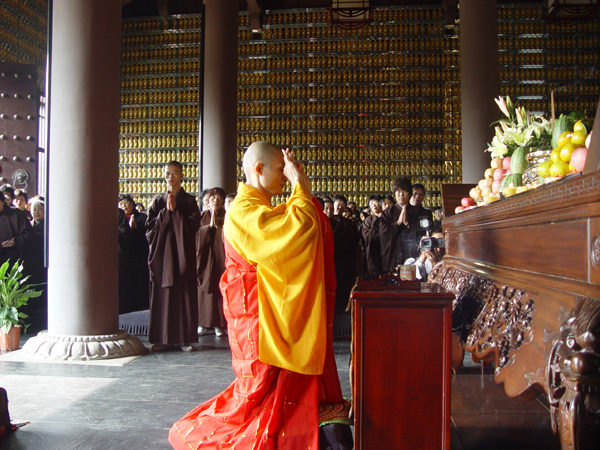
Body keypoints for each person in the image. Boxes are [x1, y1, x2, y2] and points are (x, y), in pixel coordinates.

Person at [169, 141, 352, 450]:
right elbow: (292, 235)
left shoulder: (261, 208)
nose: (285, 175)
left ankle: (299, 426)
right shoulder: (243, 209)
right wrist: (301, 189)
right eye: (281, 170)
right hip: (256, 314)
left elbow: (292, 228)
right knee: (257, 389)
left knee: (275, 384)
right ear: (258, 169)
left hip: (266, 308)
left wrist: (300, 192)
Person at [146, 161, 201, 352]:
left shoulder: (188, 201)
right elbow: (149, 228)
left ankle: (183, 338)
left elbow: (195, 225)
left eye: (175, 173)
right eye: (168, 173)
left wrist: (176, 213)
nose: (171, 176)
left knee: (182, 295)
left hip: (181, 255)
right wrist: (165, 214)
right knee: (162, 295)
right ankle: (162, 339)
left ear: (182, 176)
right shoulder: (157, 201)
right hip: (163, 256)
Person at [379, 176, 431, 273]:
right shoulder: (388, 212)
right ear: (394, 194)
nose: (401, 195)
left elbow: (423, 233)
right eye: (398, 191)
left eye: (404, 191)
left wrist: (408, 224)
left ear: (409, 194)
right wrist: (397, 223)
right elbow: (383, 233)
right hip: (394, 253)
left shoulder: (417, 211)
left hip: (411, 253)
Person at [196, 187, 227, 337]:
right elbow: (196, 236)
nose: (216, 201)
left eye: (219, 198)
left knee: (220, 289)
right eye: (212, 198)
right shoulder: (201, 216)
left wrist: (218, 226)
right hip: (205, 258)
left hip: (222, 257)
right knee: (204, 291)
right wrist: (208, 227)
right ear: (206, 201)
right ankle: (203, 323)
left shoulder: (227, 216)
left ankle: (220, 324)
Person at [118, 194, 150, 314]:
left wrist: (136, 229)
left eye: (126, 203)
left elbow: (147, 234)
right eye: (121, 204)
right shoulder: (119, 217)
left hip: (138, 255)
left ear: (132, 204)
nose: (124, 206)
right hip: (125, 255)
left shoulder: (141, 217)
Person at [361, 194, 383, 277]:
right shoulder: (368, 220)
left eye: (376, 202)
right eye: (371, 203)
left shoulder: (387, 217)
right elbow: (368, 237)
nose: (374, 205)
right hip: (372, 252)